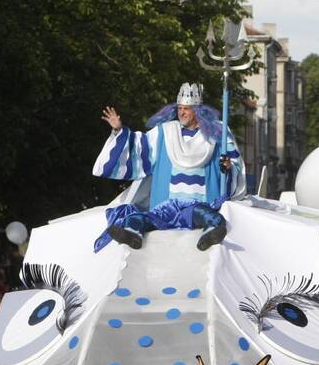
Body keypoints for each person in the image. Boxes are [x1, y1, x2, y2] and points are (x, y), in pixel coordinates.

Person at [93, 82, 246, 252]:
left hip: (196, 205)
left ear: (197, 111)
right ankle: (132, 233)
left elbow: (233, 165)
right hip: (166, 206)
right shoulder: (164, 133)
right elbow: (139, 147)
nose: (181, 112)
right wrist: (119, 130)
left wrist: (228, 167)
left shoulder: (216, 133)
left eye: (186, 109)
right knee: (138, 218)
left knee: (207, 216)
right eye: (179, 108)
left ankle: (210, 234)